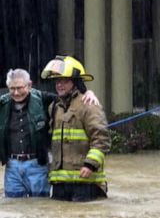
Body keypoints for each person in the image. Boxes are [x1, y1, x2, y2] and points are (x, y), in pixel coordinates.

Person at [0, 68, 99, 198]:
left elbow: (68, 98)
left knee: (40, 205)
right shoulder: (3, 103)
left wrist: (88, 92)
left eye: (20, 88)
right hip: (12, 166)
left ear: (29, 85)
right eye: (12, 89)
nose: (16, 93)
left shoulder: (42, 98)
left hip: (37, 165)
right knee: (14, 206)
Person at [41, 55, 111, 201]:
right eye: (57, 80)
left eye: (65, 80)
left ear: (75, 82)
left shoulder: (89, 105)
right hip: (60, 183)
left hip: (85, 182)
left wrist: (90, 165)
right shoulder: (54, 107)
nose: (59, 85)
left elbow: (101, 139)